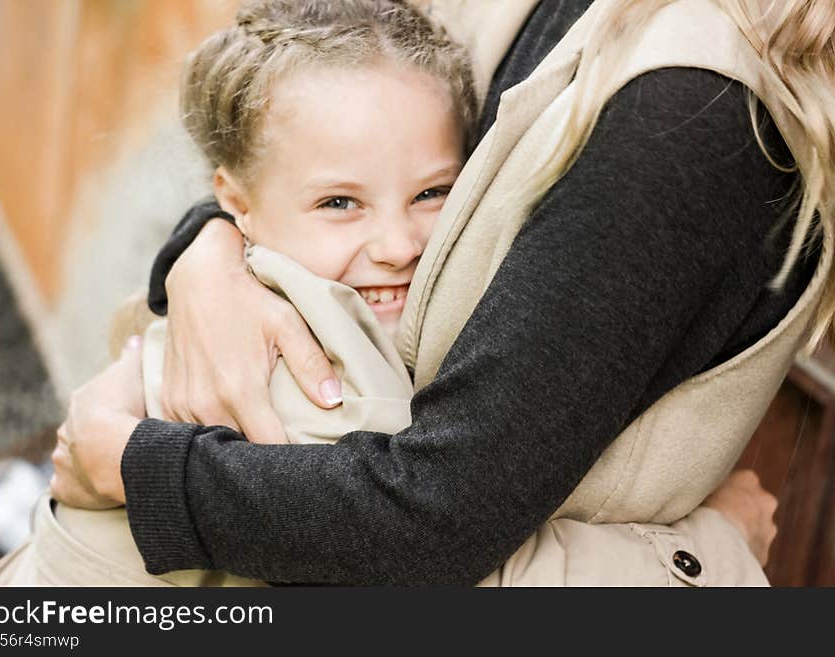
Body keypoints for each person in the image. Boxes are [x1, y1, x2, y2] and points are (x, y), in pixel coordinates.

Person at [49, 0, 832, 585]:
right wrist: (212, 244)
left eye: (435, 194)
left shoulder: (690, 112)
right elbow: (318, 121)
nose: (397, 245)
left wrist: (140, 466)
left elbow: (421, 525)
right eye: (341, 205)